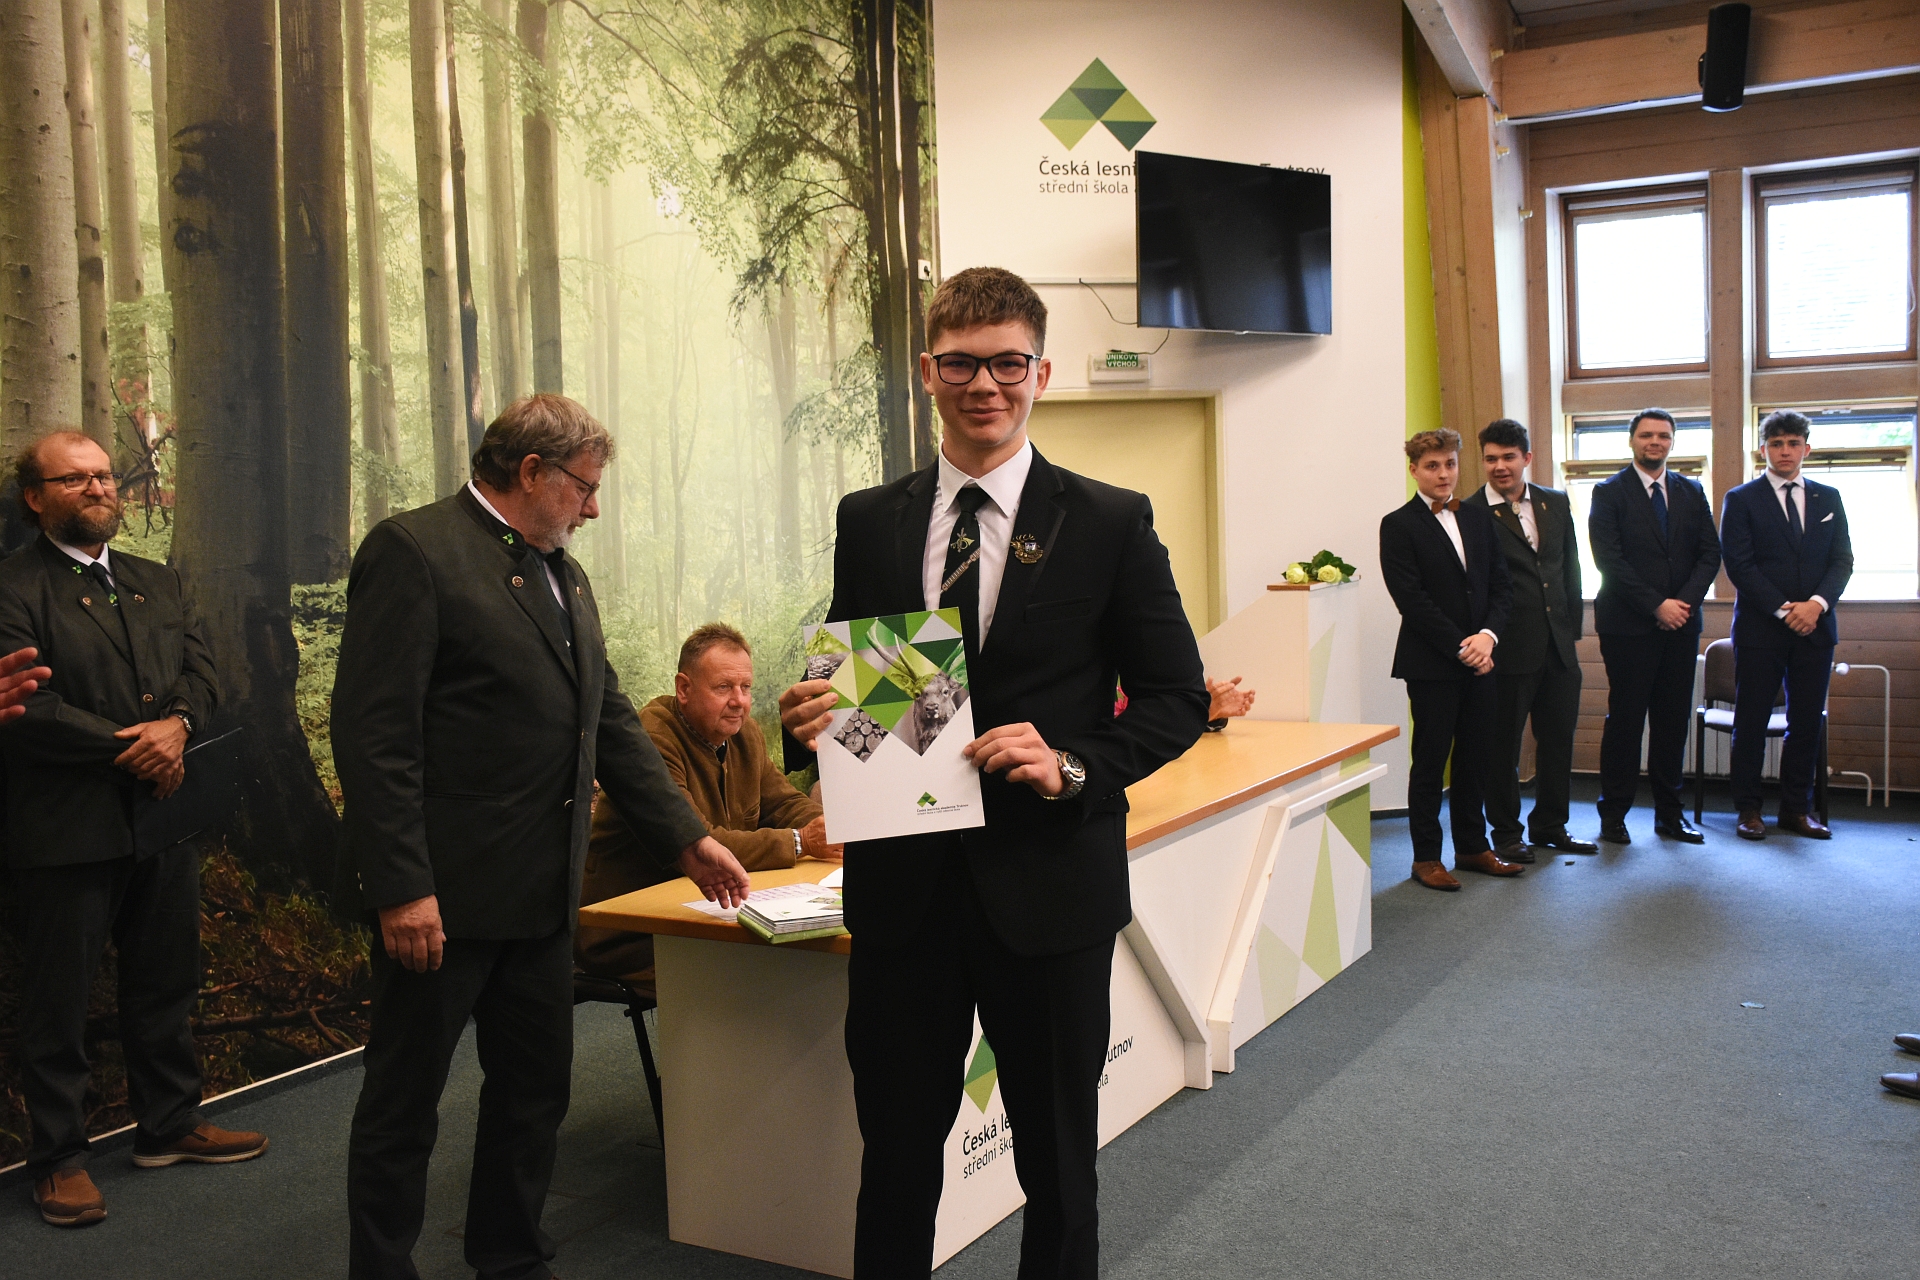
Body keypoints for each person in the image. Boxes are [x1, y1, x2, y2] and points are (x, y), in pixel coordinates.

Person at [778, 267, 1208, 1279]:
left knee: (1057, 1165)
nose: (986, 384)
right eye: (962, 363)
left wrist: (1070, 764)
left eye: (1009, 363)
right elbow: (862, 682)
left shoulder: (1109, 520)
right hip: (904, 901)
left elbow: (1175, 697)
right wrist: (808, 720)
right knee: (894, 1157)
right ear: (929, 372)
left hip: (1049, 892)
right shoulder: (870, 519)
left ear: (1041, 373)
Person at [332, 395, 751, 1280]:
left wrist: (687, 840)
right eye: (585, 489)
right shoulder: (414, 551)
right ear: (531, 472)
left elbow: (610, 723)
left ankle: (512, 1256)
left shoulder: (565, 573)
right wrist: (402, 888)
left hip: (543, 897)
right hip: (443, 901)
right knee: (405, 1101)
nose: (593, 508)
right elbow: (374, 738)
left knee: (533, 1094)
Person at [0, 430, 264, 1230]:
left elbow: (201, 669)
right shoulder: (12, 586)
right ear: (34, 498)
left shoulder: (157, 579)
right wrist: (135, 747)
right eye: (74, 479)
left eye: (105, 476)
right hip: (63, 829)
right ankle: (58, 1160)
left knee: (165, 980)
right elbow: (27, 706)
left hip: (163, 817)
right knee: (59, 1000)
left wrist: (178, 727)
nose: (98, 488)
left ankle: (169, 1124)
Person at [576, 621, 838, 983]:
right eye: (723, 687)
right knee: (776, 971)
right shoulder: (651, 737)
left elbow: (784, 803)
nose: (739, 701)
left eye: (746, 687)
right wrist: (802, 841)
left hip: (707, 913)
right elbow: (700, 842)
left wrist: (835, 828)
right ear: (684, 689)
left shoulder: (744, 733)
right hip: (629, 932)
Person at [1379, 428, 1522, 891]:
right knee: (1430, 760)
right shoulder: (1398, 525)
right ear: (1414, 470)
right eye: (1433, 466)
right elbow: (1412, 600)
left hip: (1483, 658)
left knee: (1476, 758)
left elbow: (1501, 586)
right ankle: (1426, 857)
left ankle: (1472, 847)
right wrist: (1465, 648)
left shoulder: (1478, 518)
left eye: (1450, 464)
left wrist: (1488, 638)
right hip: (1432, 664)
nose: (1444, 474)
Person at [1588, 409, 1721, 845]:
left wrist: (1681, 604)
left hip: (1681, 625)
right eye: (1646, 435)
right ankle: (1614, 815)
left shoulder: (1691, 490)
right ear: (1632, 440)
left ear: (1672, 442)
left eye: (1663, 436)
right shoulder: (1609, 492)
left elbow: (1710, 554)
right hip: (1628, 627)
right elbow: (1609, 560)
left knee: (1672, 723)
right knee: (1626, 722)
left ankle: (1670, 815)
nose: (1655, 442)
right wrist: (1656, 606)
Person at [1462, 419, 1594, 860]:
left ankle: (1551, 826)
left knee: (1558, 742)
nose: (1500, 466)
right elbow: (1474, 587)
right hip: (1506, 648)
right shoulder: (1470, 512)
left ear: (1527, 458)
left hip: (1559, 647)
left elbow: (1569, 567)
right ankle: (1506, 833)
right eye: (1491, 459)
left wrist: (1571, 632)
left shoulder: (1554, 501)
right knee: (1503, 748)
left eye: (1509, 457)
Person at [1719, 410, 1853, 840]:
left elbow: (1842, 561)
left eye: (1793, 443)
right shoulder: (1741, 499)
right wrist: (1784, 610)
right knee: (1751, 721)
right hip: (1760, 630)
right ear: (1763, 449)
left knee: (1806, 722)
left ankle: (1797, 809)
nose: (1785, 451)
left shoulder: (1828, 497)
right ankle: (1748, 810)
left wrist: (1815, 606)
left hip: (1816, 629)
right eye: (1776, 444)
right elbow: (1739, 565)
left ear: (1806, 449)